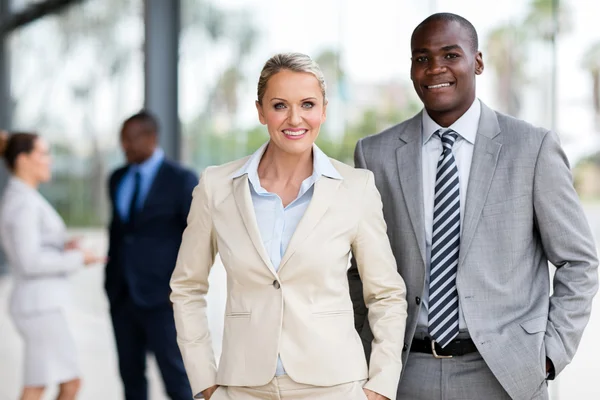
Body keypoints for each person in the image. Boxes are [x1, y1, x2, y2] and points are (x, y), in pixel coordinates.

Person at [348, 12, 599, 400]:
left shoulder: (531, 148)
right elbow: (359, 272)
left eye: (451, 55)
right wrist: (355, 357)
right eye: (422, 58)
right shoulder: (375, 154)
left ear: (478, 62)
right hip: (402, 374)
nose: (435, 69)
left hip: (505, 375)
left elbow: (579, 262)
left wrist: (549, 355)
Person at [170, 52, 408, 400]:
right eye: (280, 105)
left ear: (323, 110)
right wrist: (205, 383)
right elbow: (187, 288)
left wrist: (381, 388)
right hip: (243, 387)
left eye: (308, 104)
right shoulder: (216, 187)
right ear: (260, 111)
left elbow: (386, 294)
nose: (295, 118)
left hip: (334, 387)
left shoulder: (356, 188)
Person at [0, 132, 104, 400]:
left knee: (58, 382)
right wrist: (79, 259)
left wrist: (63, 245)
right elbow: (30, 261)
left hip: (40, 306)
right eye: (43, 153)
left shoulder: (25, 197)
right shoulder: (22, 202)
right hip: (39, 307)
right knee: (51, 384)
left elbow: (34, 247)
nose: (50, 160)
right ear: (23, 160)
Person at [105, 111, 197, 400]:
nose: (126, 147)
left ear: (151, 138)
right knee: (131, 379)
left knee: (177, 380)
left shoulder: (181, 179)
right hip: (122, 296)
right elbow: (121, 234)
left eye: (131, 139)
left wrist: (181, 288)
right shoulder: (117, 177)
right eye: (122, 140)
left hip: (163, 299)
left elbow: (194, 239)